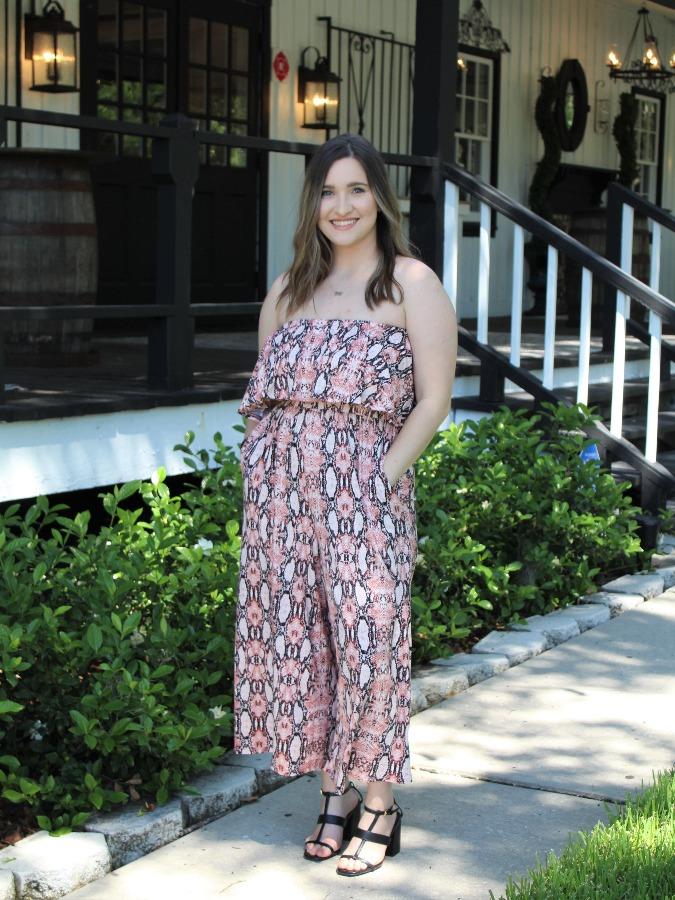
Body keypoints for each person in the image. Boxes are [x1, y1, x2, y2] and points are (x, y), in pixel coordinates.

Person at [234, 132, 457, 877]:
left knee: (370, 643)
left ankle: (380, 804)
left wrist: (377, 480)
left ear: (379, 198)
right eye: (328, 192)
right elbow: (264, 399)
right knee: (307, 642)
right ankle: (333, 794)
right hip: (282, 501)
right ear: (313, 203)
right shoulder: (289, 288)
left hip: (366, 497)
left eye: (356, 189)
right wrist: (263, 482)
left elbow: (433, 402)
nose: (342, 206)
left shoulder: (410, 283)